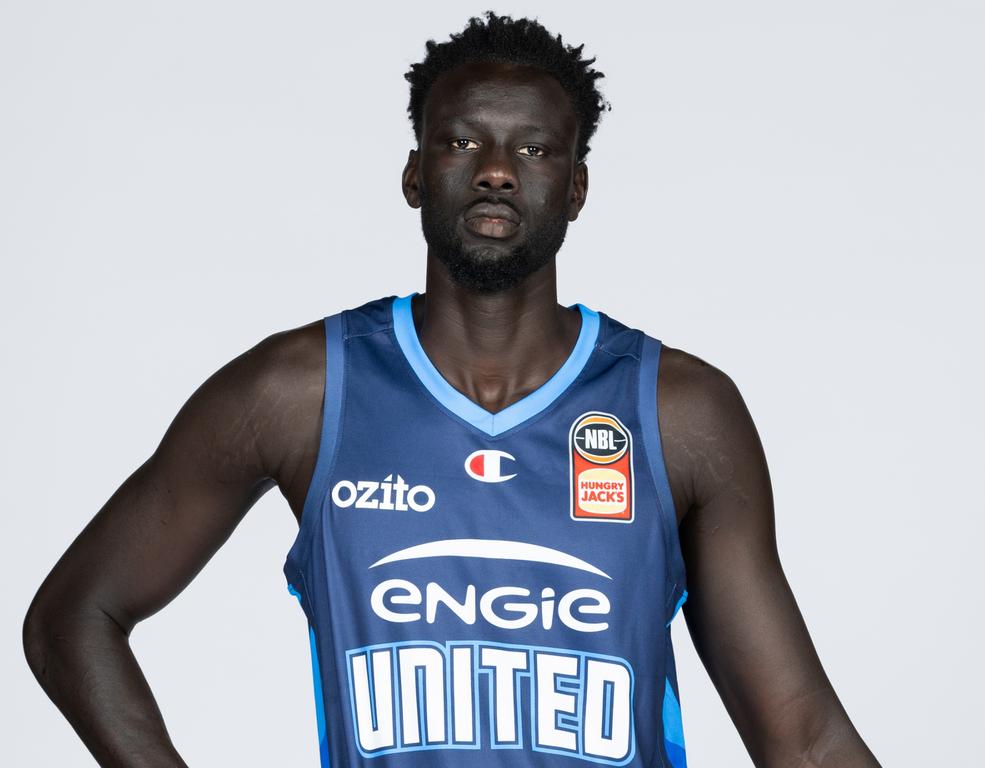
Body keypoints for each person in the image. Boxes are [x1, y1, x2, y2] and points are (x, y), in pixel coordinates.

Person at [23, 11, 881, 768]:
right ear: (412, 174)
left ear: (576, 188)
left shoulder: (676, 411)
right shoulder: (299, 392)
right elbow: (74, 616)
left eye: (535, 148)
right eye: (463, 141)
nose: (498, 170)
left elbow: (801, 737)